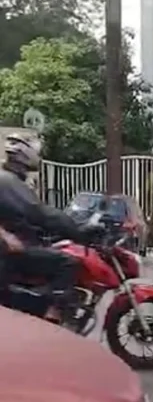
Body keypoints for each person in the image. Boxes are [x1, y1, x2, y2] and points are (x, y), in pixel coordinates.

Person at [0, 134, 87, 323]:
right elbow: (39, 213)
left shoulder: (14, 181)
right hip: (13, 249)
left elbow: (31, 217)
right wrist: (76, 230)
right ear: (25, 153)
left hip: (18, 243)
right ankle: (52, 316)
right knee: (68, 262)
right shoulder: (9, 182)